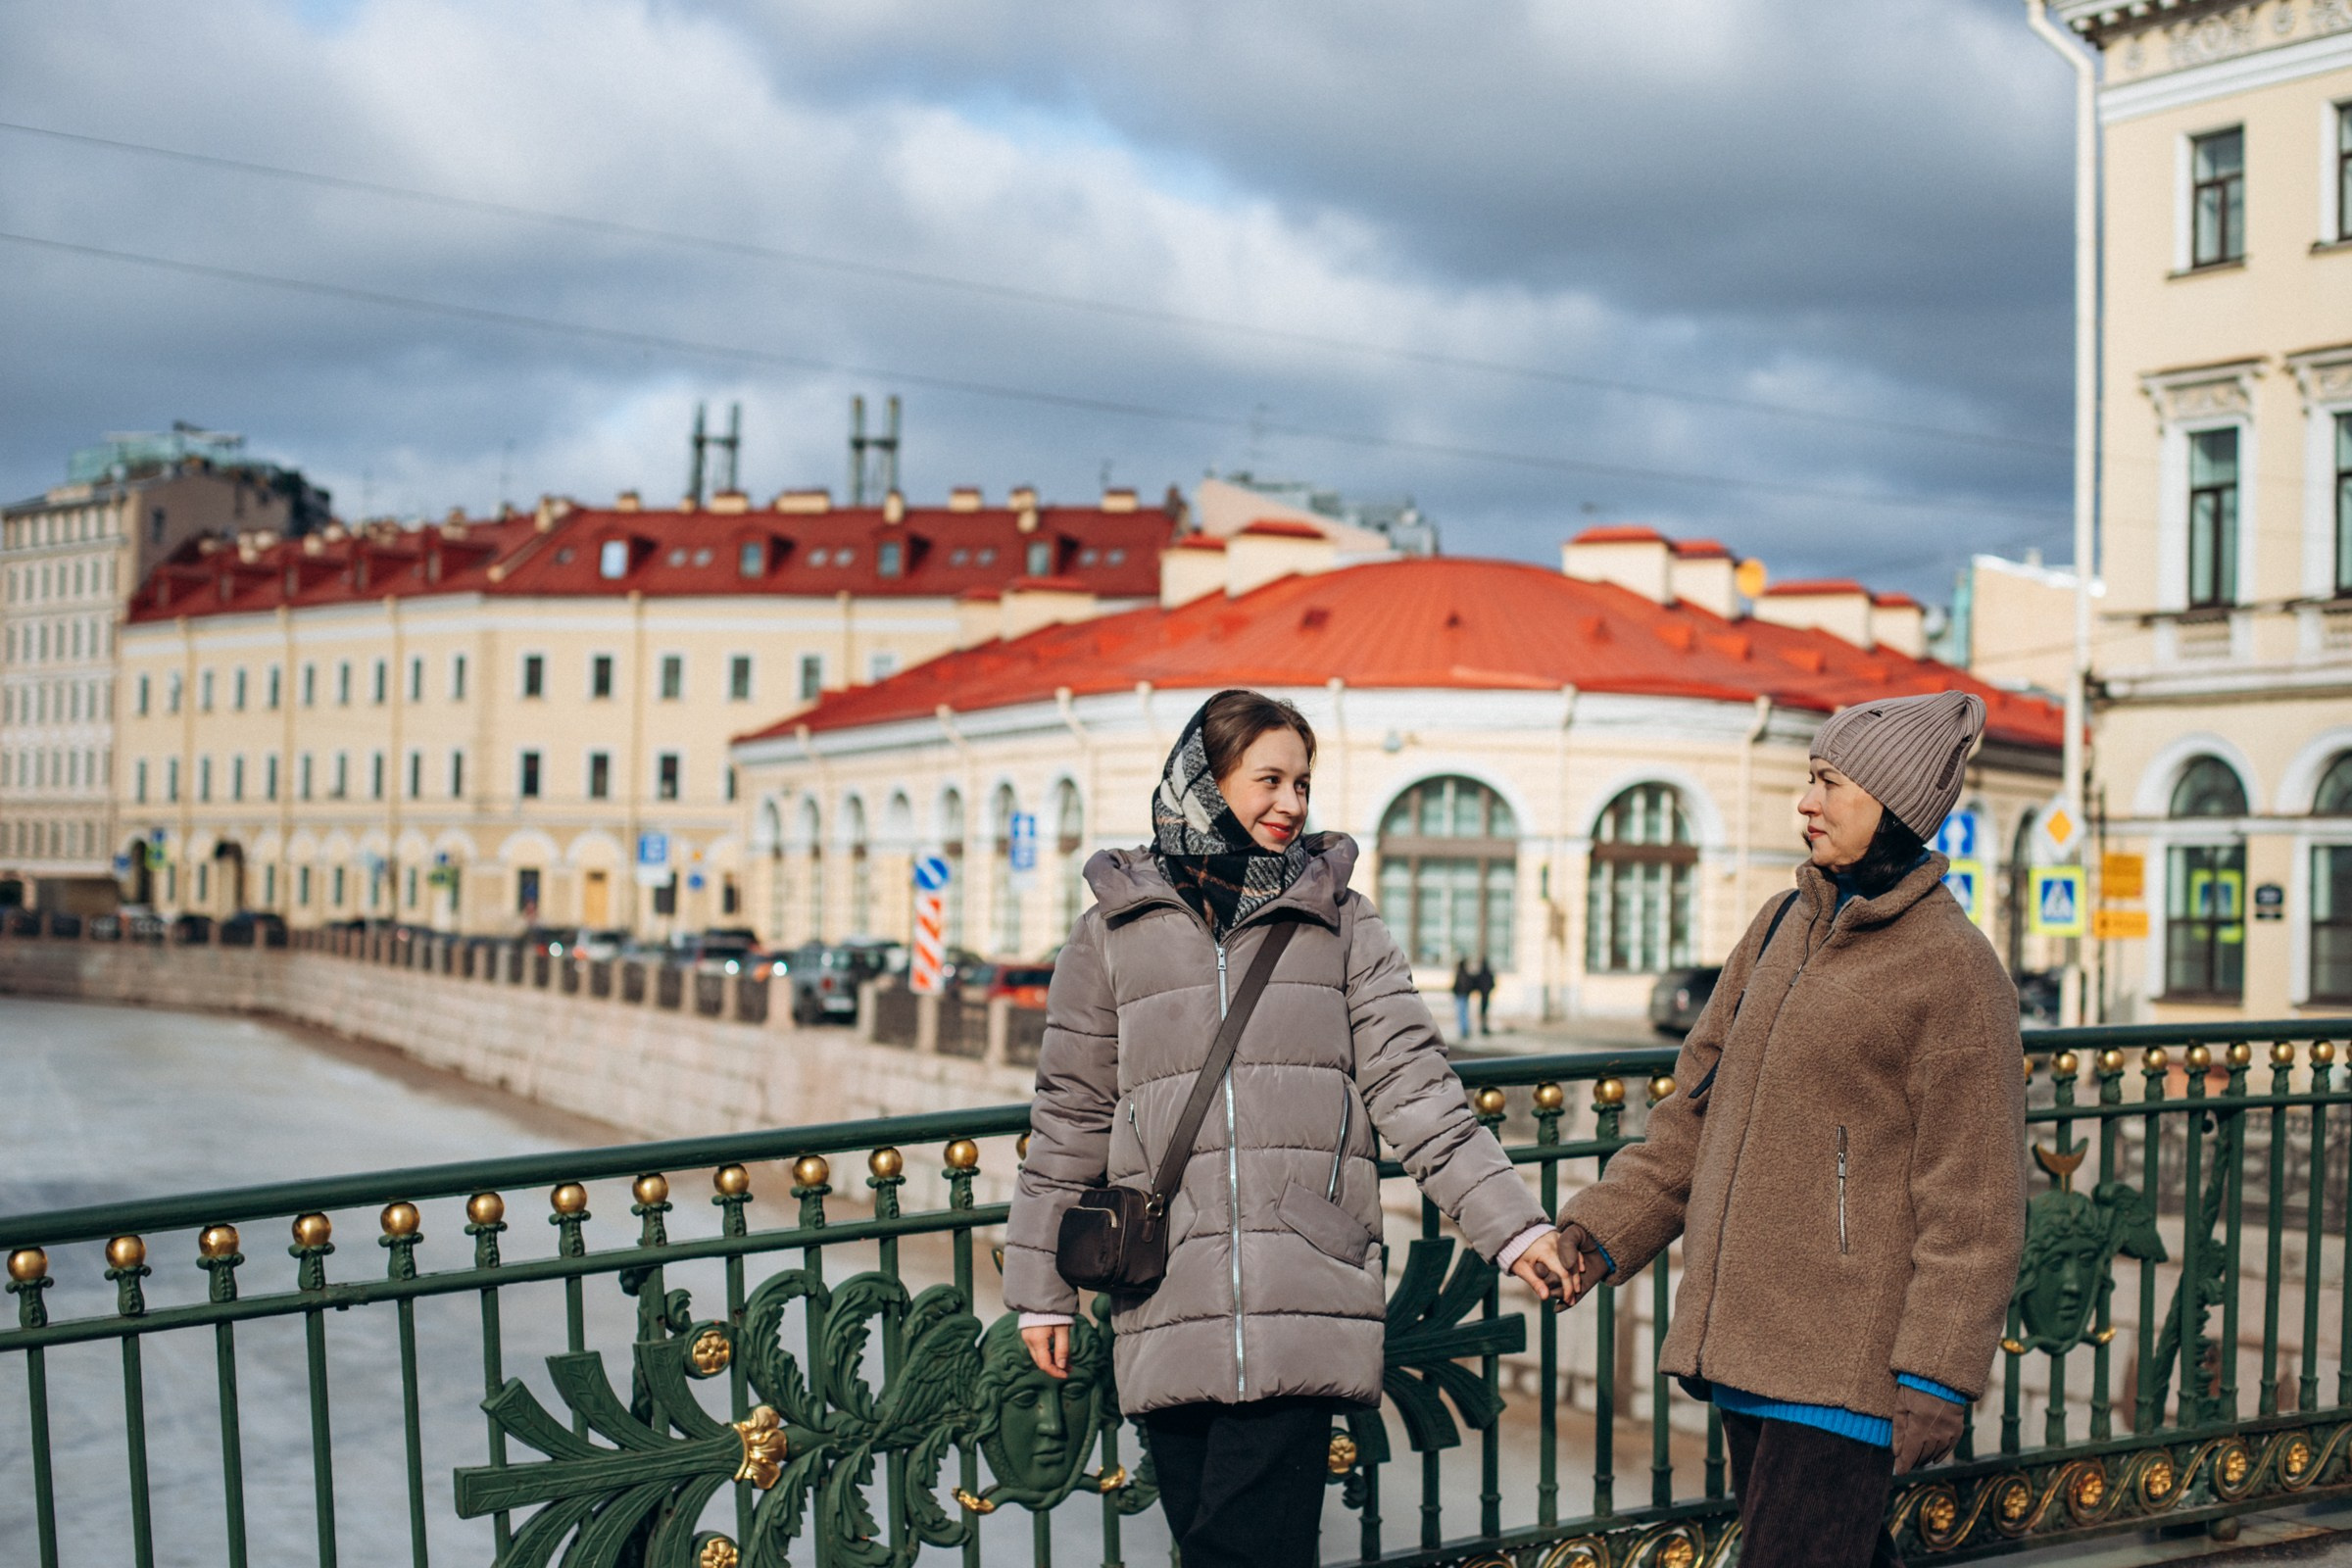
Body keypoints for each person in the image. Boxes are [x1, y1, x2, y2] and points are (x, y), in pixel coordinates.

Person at [1004, 689, 1570, 1568]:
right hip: (1165, 1284)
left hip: (1303, 1278)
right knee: (1206, 1543)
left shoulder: (1340, 919)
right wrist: (1041, 1284)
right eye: (1269, 779)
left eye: (1303, 783)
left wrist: (1514, 1225)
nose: (1292, 805)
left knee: (1247, 1549)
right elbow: (1070, 1113)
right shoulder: (1113, 930)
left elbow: (1416, 1087)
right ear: (1205, 779)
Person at [1551, 691, 2027, 1568]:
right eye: (1810, 777)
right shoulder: (1777, 926)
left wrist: (1939, 1375)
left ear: (1894, 808)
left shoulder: (1955, 970)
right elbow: (1689, 1117)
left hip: (1851, 1360)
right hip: (1749, 1342)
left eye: (1830, 782)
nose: (1805, 801)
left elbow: (1978, 1198)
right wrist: (1602, 1230)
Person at [1469, 954, 1495, 1036]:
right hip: (1486, 995)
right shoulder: (1489, 974)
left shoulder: (1481, 974)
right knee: (1484, 1012)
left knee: (1482, 1012)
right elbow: (1492, 984)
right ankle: (1484, 1027)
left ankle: (1483, 1027)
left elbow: (1475, 983)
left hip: (1483, 996)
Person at [1450, 956, 1475, 1040]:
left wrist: (1455, 992)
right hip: (1464, 996)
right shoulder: (1466, 974)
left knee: (1462, 1014)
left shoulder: (1461, 974)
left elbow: (1458, 986)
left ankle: (1464, 1031)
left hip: (1461, 996)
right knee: (1464, 1013)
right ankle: (1465, 1030)